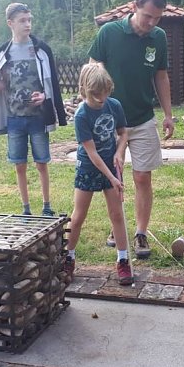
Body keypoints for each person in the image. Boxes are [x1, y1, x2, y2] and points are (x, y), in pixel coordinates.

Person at [88, 0, 174, 260]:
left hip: (143, 118)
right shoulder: (109, 33)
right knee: (115, 176)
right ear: (134, 7)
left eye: (157, 17)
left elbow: (161, 76)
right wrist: (95, 105)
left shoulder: (158, 38)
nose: (152, 22)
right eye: (148, 15)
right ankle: (117, 226)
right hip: (110, 121)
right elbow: (93, 69)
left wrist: (168, 114)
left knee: (142, 177)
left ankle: (140, 232)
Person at [0, 3, 67, 216]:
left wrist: (45, 97)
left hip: (38, 118)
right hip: (15, 118)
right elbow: (2, 84)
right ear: (10, 23)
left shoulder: (41, 49)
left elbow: (52, 83)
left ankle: (46, 206)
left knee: (41, 163)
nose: (27, 24)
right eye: (22, 20)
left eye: (29, 20)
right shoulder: (4, 52)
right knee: (19, 164)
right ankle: (26, 208)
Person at [64, 63, 133, 285]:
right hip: (89, 166)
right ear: (84, 89)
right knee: (79, 215)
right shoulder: (82, 115)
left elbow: (123, 133)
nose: (102, 99)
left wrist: (120, 152)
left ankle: (123, 261)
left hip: (112, 165)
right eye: (96, 95)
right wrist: (112, 177)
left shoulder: (114, 106)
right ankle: (68, 257)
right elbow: (92, 153)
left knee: (116, 214)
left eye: (105, 93)